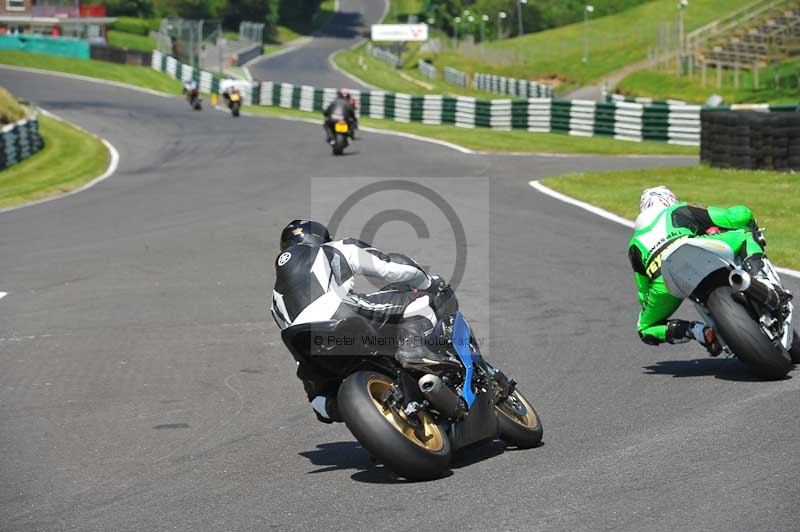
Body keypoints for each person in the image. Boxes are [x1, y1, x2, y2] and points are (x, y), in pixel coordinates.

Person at [270, 219, 457, 423]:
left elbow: (292, 333)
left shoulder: (275, 299)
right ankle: (414, 350)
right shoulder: (331, 249)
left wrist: (316, 389)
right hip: (341, 314)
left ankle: (327, 405)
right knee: (421, 298)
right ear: (321, 238)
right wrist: (428, 282)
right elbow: (389, 266)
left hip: (305, 346)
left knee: (320, 396)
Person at [628, 186, 790, 355]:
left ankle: (698, 332)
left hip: (665, 279)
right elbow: (733, 217)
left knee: (645, 328)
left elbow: (643, 292)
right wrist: (750, 220)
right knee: (745, 235)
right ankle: (763, 281)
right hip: (694, 250)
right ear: (669, 200)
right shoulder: (678, 210)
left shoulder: (634, 245)